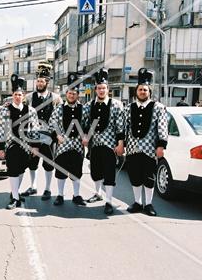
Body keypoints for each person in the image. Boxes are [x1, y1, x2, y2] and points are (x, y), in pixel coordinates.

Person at [124, 68, 168, 217]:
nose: (143, 92)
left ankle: (148, 204)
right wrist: (121, 144)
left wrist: (161, 145)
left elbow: (162, 126)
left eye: (145, 90)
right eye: (140, 89)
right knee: (135, 177)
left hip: (150, 150)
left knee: (149, 178)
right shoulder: (129, 108)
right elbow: (124, 127)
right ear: (136, 91)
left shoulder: (158, 107)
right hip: (132, 149)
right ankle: (137, 202)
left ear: (149, 91)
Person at [84, 68, 125, 215]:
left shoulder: (116, 105)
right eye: (99, 88)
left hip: (110, 145)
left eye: (104, 88)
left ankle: (108, 201)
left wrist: (120, 144)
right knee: (95, 172)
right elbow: (84, 123)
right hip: (94, 146)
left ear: (108, 89)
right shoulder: (89, 106)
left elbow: (120, 125)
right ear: (95, 89)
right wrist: (85, 136)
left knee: (109, 173)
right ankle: (98, 193)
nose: (101, 90)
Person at [0, 74, 40, 209]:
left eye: (20, 94)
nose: (17, 97)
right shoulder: (5, 110)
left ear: (24, 95)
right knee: (13, 170)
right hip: (11, 146)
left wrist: (35, 147)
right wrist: (0, 147)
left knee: (21, 170)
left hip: (26, 147)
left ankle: (15, 194)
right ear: (12, 95)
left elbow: (35, 129)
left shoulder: (31, 111)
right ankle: (15, 198)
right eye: (15, 94)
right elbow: (0, 129)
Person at [21, 61, 63, 201]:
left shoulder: (56, 99)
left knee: (48, 164)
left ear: (47, 82)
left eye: (41, 81)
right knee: (32, 163)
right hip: (33, 136)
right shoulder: (28, 98)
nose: (39, 83)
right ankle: (33, 186)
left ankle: (47, 189)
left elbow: (60, 117)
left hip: (49, 138)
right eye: (37, 81)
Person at [48, 73, 89, 206]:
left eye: (74, 93)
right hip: (63, 145)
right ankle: (60, 195)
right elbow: (52, 123)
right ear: (67, 94)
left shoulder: (83, 109)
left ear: (78, 95)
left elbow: (88, 125)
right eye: (70, 93)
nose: (72, 96)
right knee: (60, 171)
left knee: (77, 171)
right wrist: (57, 135)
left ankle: (76, 196)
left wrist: (86, 136)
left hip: (77, 145)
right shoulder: (59, 108)